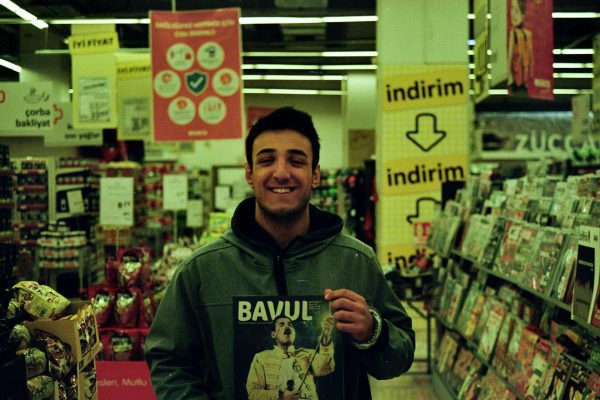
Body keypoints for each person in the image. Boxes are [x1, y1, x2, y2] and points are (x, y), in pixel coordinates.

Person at [145, 106, 415, 399]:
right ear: (250, 173)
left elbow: (396, 360)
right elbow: (169, 363)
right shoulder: (202, 270)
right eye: (267, 160)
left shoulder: (355, 261)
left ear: (315, 175)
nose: (282, 173)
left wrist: (373, 332)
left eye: (296, 161)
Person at [246, 314, 334, 400]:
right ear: (273, 334)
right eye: (281, 324)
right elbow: (253, 394)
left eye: (290, 325)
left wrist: (326, 336)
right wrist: (281, 396)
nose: (287, 327)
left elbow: (326, 367)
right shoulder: (261, 358)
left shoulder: (307, 354)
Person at [507, 0, 534, 94]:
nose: (512, 14)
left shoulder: (515, 33)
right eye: (512, 9)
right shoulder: (526, 34)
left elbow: (510, 58)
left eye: (516, 11)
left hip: (517, 80)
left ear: (522, 16)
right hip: (521, 80)